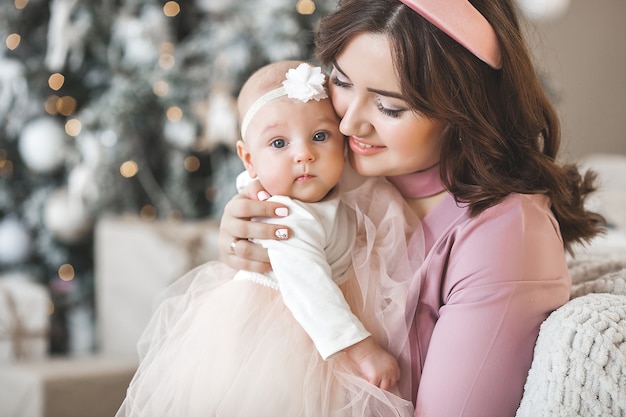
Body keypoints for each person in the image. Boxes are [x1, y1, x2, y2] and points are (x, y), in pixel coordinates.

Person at [218, 1, 606, 416]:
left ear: (463, 111)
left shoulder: (504, 236)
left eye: (389, 107)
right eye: (342, 82)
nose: (348, 124)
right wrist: (247, 245)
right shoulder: (336, 168)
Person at [116, 60, 414, 417]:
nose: (304, 154)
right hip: (290, 336)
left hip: (319, 322)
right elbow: (309, 288)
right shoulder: (285, 216)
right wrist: (363, 351)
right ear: (249, 159)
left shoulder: (322, 186)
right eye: (278, 143)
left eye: (321, 136)